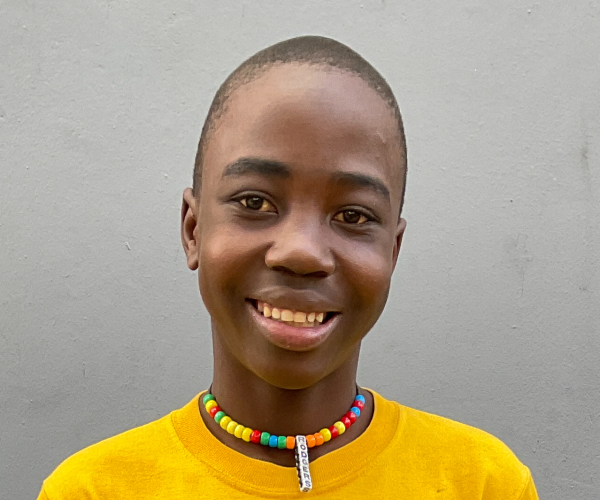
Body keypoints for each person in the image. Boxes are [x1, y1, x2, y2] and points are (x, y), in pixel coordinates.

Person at [37, 36, 539, 499]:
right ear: (193, 230)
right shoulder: (92, 491)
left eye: (353, 216)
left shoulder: (482, 483)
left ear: (393, 252)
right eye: (254, 202)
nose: (302, 252)